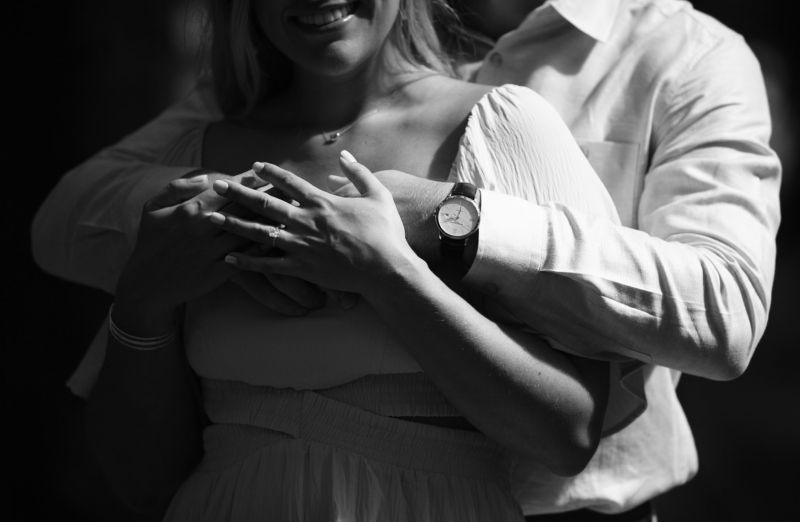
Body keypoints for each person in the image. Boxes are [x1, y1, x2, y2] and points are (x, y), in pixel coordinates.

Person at [30, 0, 781, 520]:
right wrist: (228, 228)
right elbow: (68, 215)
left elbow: (721, 317)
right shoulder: (216, 133)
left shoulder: (645, 66)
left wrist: (425, 235)